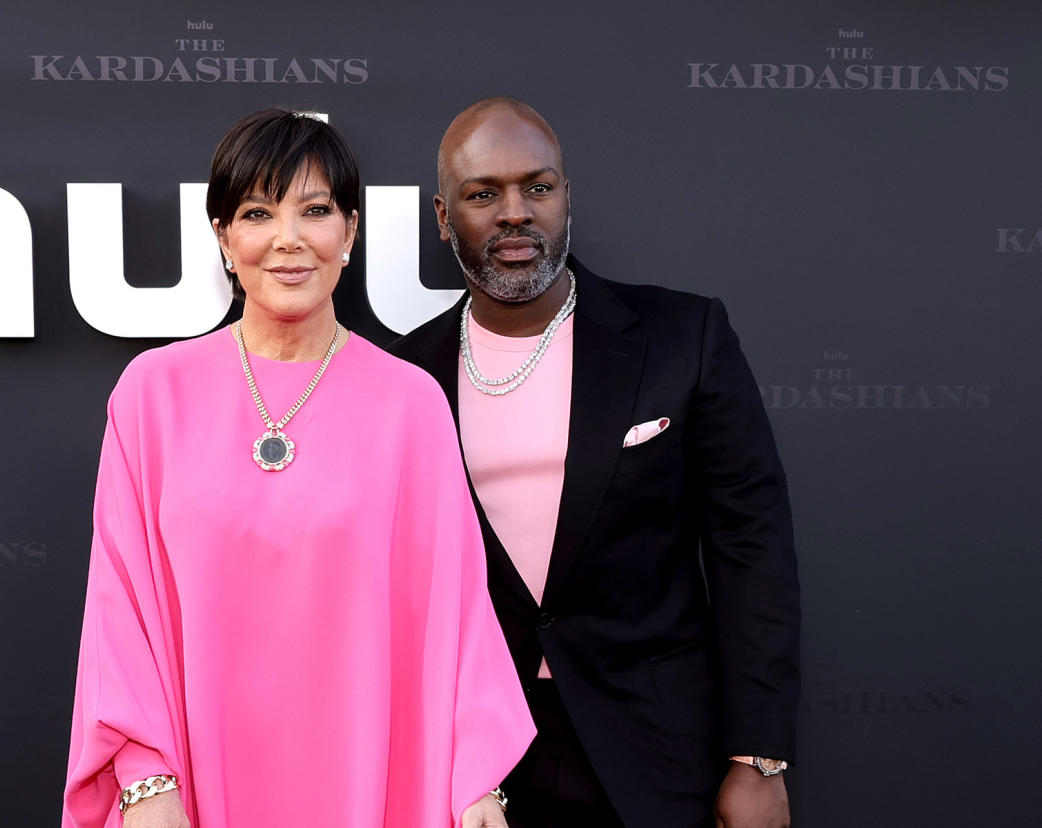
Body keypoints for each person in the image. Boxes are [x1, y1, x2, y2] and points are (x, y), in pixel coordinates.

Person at [62, 109, 534, 828]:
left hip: (371, 779)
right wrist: (145, 781)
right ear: (223, 238)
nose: (288, 239)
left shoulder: (410, 404)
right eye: (257, 212)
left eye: (315, 210)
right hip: (191, 783)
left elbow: (457, 612)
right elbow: (119, 609)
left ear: (349, 232)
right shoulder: (153, 395)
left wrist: (478, 785)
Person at [390, 98, 801, 828]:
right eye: (484, 194)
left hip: (656, 747)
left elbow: (751, 548)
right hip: (477, 757)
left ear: (567, 197)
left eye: (537, 187)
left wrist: (758, 756)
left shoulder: (683, 336)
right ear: (445, 217)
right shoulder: (404, 376)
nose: (515, 212)